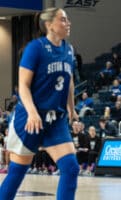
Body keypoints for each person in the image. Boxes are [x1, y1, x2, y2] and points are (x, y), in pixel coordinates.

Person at [0, 8, 79, 200]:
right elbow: (23, 86)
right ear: (49, 25)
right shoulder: (35, 48)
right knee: (17, 173)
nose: (68, 23)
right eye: (63, 19)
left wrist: (71, 107)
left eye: (68, 19)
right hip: (30, 119)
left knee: (71, 169)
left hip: (55, 119)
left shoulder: (69, 49)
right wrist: (33, 113)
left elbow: (68, 81)